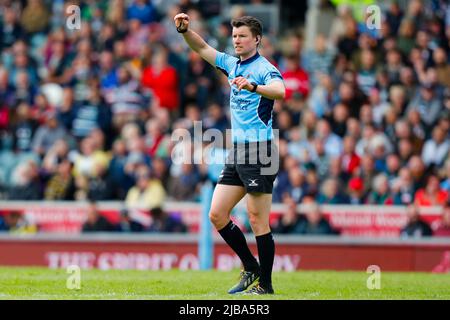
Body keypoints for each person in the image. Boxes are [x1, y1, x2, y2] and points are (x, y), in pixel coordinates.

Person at [174, 13, 285, 294]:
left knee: (258, 219)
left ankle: (266, 286)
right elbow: (201, 48)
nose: (237, 40)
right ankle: (250, 266)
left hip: (261, 151)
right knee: (217, 214)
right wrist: (185, 31)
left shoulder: (263, 68)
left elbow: (281, 91)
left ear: (257, 39)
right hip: (238, 152)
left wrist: (253, 86)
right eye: (235, 36)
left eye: (243, 36)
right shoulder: (231, 64)